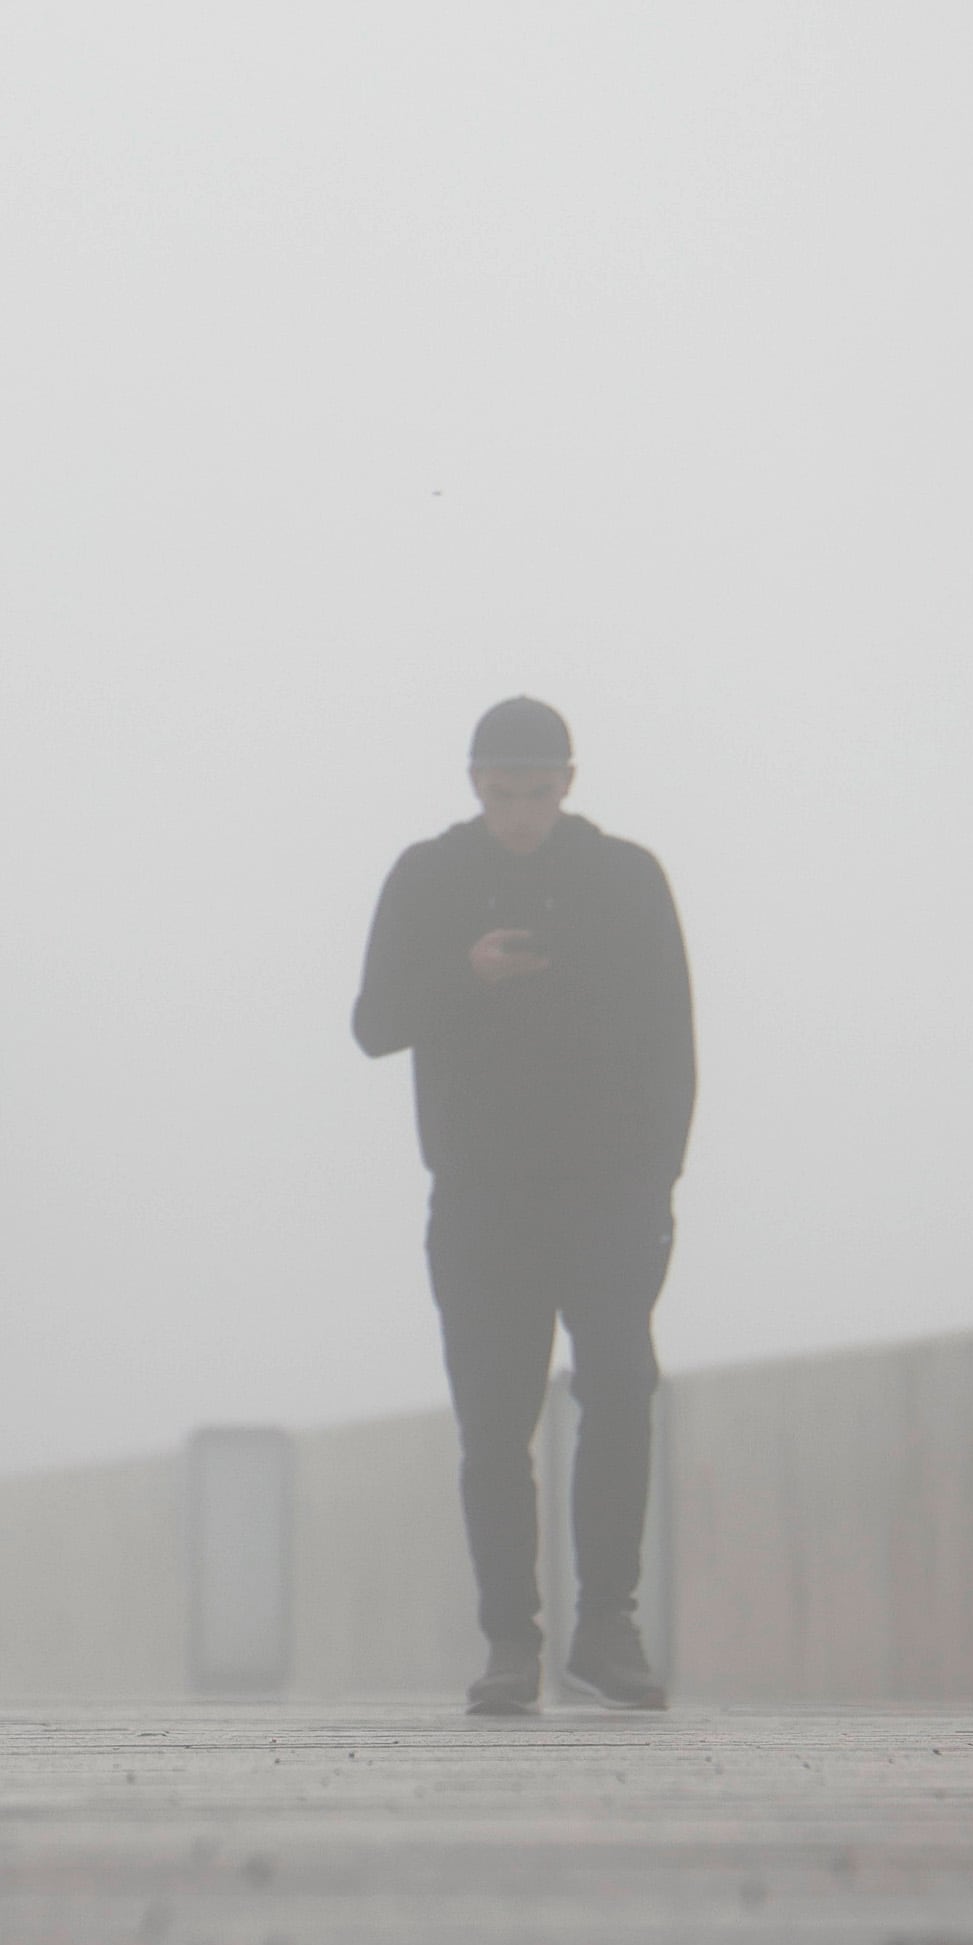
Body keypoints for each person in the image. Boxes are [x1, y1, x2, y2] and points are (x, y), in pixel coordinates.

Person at [353, 695, 697, 1716]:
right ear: (472, 784)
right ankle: (511, 1641)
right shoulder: (430, 878)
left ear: (569, 785)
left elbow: (675, 1040)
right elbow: (374, 1024)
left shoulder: (625, 879)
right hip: (480, 1194)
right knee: (494, 1423)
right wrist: (466, 974)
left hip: (610, 1193)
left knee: (621, 1396)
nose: (519, 817)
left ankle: (607, 1627)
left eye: (537, 795)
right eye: (502, 794)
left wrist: (659, 1180)